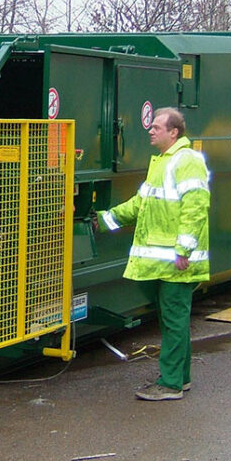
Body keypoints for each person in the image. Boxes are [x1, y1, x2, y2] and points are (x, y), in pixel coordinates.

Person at [96, 107, 210, 400]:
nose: (151, 130)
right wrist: (101, 220)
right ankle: (179, 379)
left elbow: (195, 208)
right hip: (168, 261)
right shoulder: (163, 162)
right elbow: (140, 205)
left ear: (174, 132)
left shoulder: (186, 161)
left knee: (173, 321)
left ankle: (170, 384)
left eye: (157, 127)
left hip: (177, 261)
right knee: (175, 321)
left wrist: (184, 249)